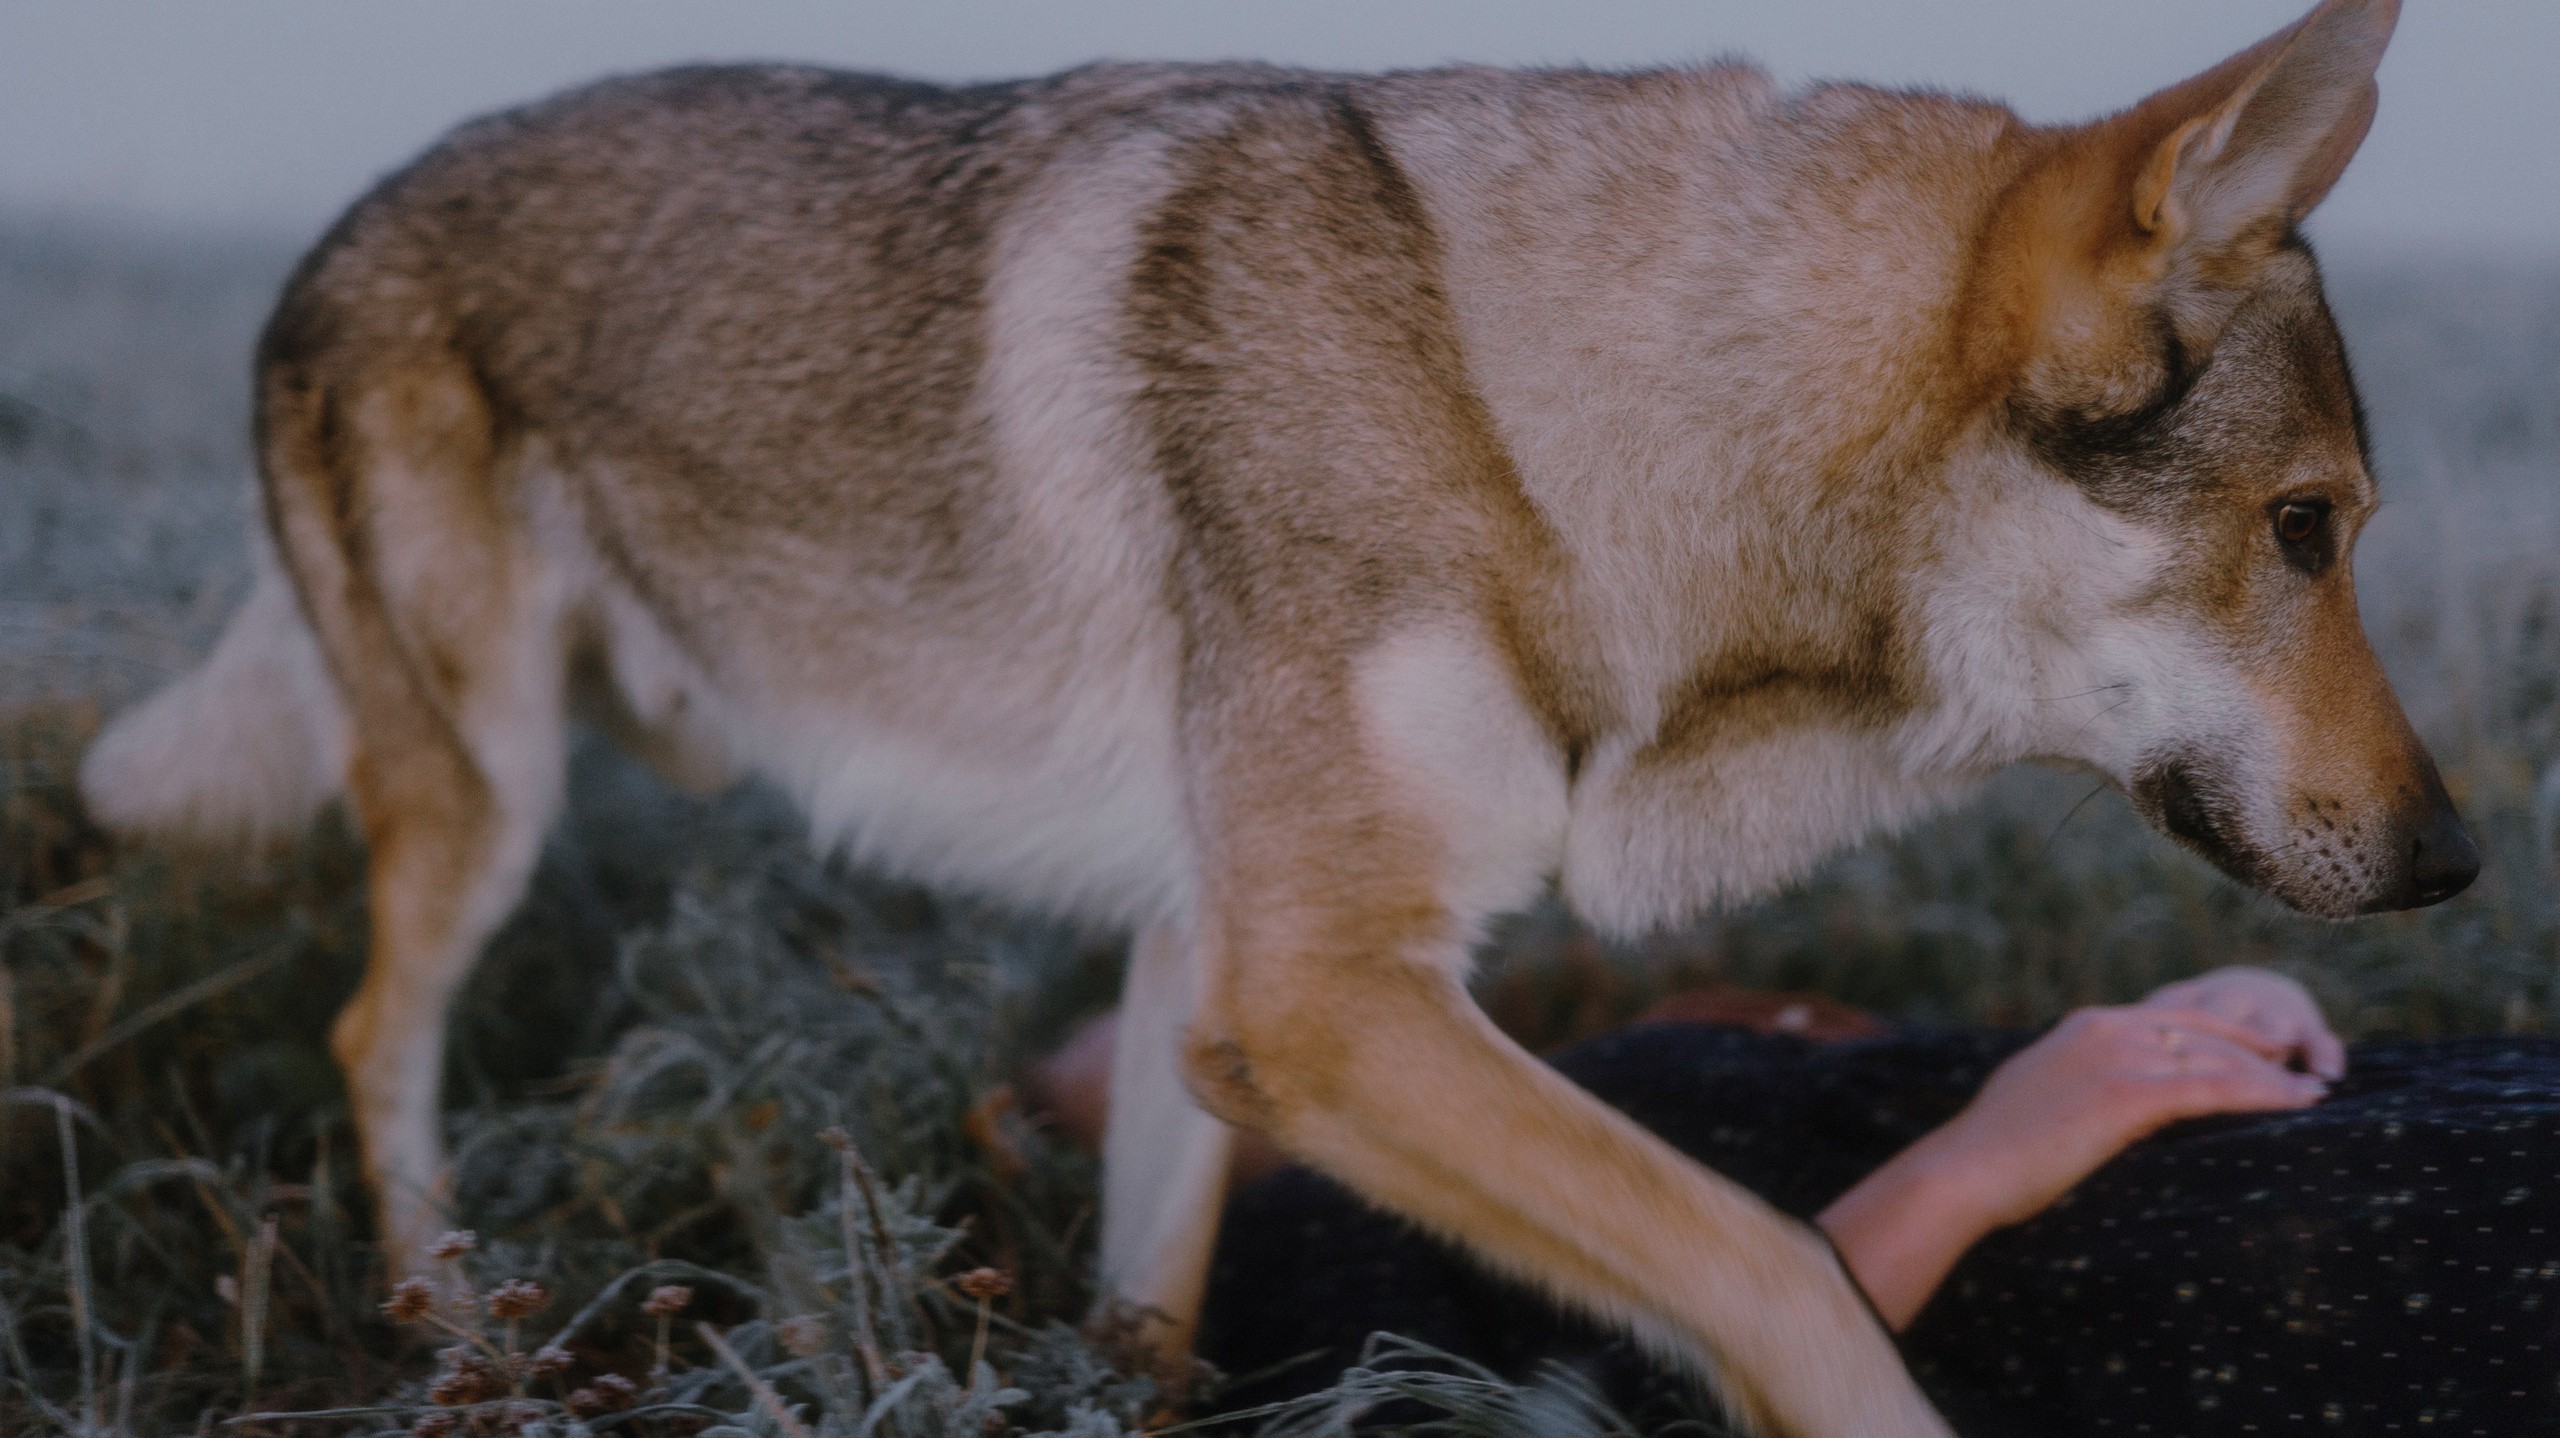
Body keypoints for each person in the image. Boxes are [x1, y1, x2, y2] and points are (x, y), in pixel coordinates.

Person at [1028, 970, 2560, 1435]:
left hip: (2343, 1140)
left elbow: (1903, 1083)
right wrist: (1967, 1168)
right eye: (1198, 1068)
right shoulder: (1299, 1274)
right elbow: (1610, 1421)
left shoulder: (1534, 1086)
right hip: (2215, 1308)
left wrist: (2199, 1011)